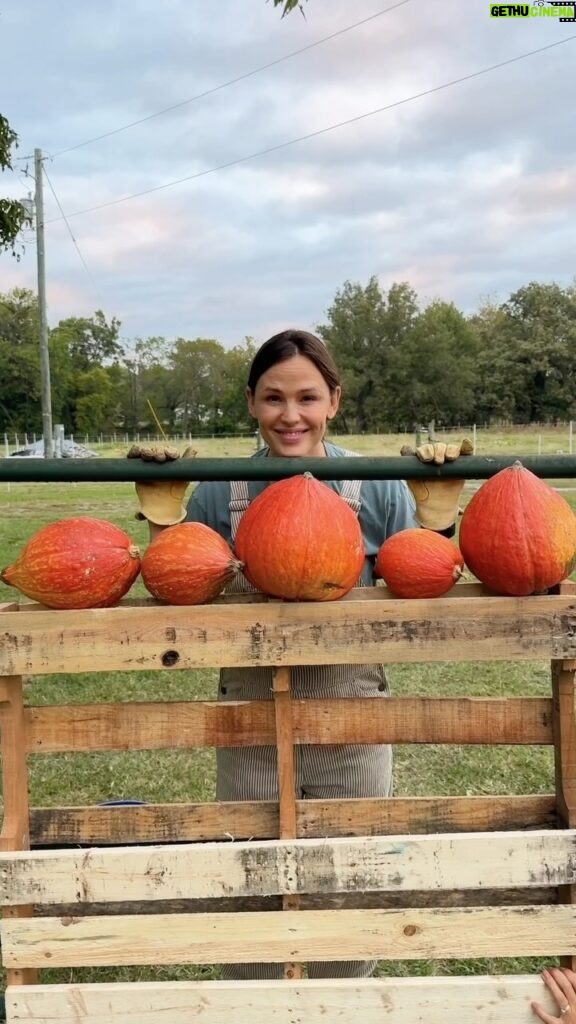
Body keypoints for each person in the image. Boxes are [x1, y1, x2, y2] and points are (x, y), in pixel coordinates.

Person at [129, 328, 472, 980]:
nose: (291, 414)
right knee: (252, 864)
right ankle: (258, 1000)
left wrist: (439, 519)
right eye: (273, 397)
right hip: (251, 708)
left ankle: (342, 999)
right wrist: (164, 519)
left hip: (351, 704)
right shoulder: (219, 492)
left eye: (307, 397)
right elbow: (179, 578)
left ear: (334, 401)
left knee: (350, 867)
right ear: (253, 403)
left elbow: (426, 578)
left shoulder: (375, 488)